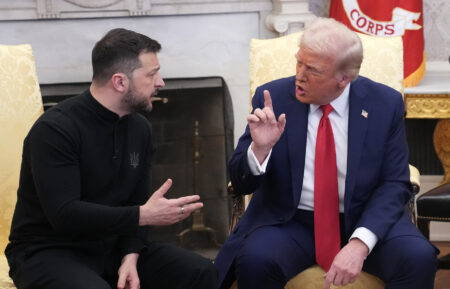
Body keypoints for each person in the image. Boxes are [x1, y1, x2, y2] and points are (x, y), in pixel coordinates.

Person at [215, 17, 438, 289]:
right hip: (291, 220)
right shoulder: (273, 97)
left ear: (344, 78)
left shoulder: (384, 103)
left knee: (419, 257)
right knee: (256, 259)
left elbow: (394, 183)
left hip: (364, 215)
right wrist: (259, 150)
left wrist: (360, 243)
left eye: (313, 70)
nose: (300, 75)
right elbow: (241, 182)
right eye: (299, 62)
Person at [5, 28, 218, 289]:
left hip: (113, 247)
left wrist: (131, 256)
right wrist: (143, 215)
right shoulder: (55, 130)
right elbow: (65, 214)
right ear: (119, 82)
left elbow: (138, 202)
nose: (161, 82)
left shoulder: (140, 128)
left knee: (200, 272)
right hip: (47, 251)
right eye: (151, 74)